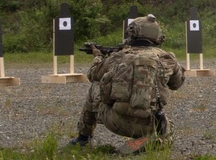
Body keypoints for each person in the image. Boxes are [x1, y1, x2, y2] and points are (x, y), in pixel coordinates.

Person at [67, 15, 184, 151]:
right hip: (151, 124)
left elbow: (93, 74)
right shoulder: (167, 58)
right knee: (169, 128)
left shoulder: (118, 56)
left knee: (95, 87)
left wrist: (99, 57)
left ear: (132, 33)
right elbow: (177, 84)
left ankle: (83, 138)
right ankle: (154, 139)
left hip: (117, 121)